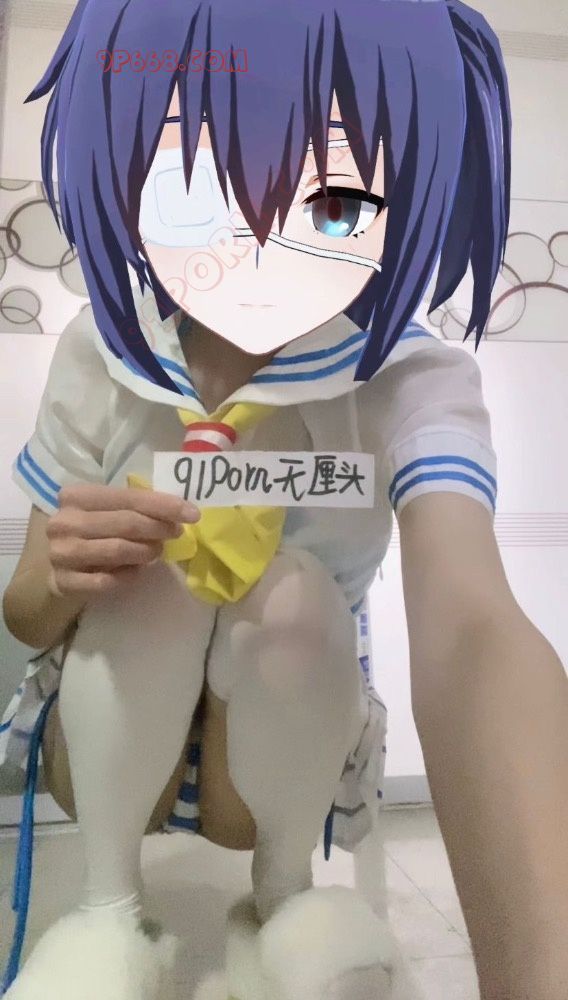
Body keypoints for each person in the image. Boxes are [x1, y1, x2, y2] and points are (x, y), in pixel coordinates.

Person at [1, 1, 566, 998]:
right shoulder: (105, 351)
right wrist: (67, 568)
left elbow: (471, 621)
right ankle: (105, 909)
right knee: (151, 579)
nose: (257, 247)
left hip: (277, 748)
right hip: (108, 741)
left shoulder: (404, 375)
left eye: (333, 206)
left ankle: (285, 897)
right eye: (198, 187)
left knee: (295, 592)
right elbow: (25, 609)